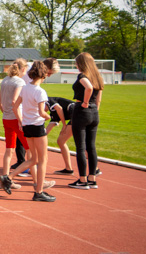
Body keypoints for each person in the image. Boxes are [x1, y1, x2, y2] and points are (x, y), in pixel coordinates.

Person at [1, 61, 56, 202]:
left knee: (33, 158)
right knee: (42, 160)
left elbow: (15, 107)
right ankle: (39, 191)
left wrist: (21, 120)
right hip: (37, 126)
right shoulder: (40, 91)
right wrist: (48, 116)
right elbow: (41, 112)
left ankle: (8, 177)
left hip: (26, 125)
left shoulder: (25, 88)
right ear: (43, 74)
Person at [68, 52, 104, 189]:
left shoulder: (82, 76)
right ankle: (92, 179)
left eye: (77, 63)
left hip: (82, 110)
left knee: (81, 148)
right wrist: (93, 110)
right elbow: (99, 98)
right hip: (94, 112)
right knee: (91, 146)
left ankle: (82, 180)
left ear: (81, 63)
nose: (76, 65)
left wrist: (84, 103)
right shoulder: (98, 78)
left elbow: (88, 88)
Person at [0, 62, 27, 192]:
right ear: (21, 69)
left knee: (9, 150)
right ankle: (38, 182)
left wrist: (6, 113)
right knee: (31, 151)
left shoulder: (4, 80)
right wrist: (20, 120)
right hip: (16, 118)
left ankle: (5, 178)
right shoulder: (20, 82)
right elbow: (14, 101)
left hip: (6, 118)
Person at [45, 97, 76, 174]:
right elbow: (46, 131)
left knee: (81, 143)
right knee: (61, 141)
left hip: (77, 112)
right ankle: (68, 168)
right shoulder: (53, 113)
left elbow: (59, 108)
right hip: (77, 115)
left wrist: (64, 125)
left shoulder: (48, 100)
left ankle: (94, 169)